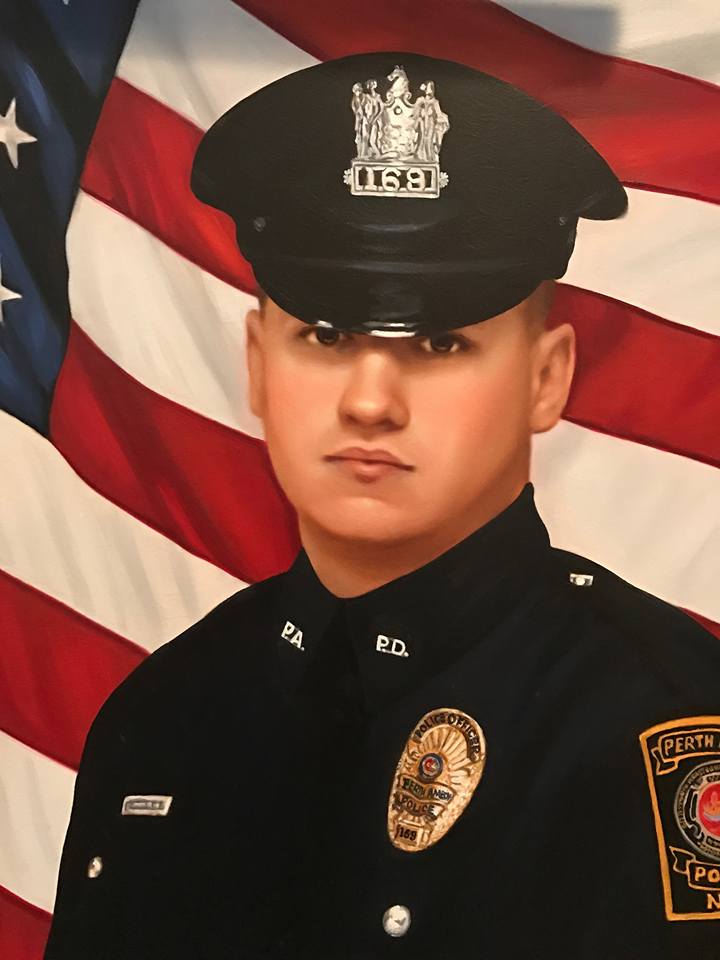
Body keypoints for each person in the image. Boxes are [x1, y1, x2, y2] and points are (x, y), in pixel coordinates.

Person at [43, 51, 720, 959]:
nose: (369, 401)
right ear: (257, 365)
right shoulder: (164, 717)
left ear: (547, 378)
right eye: (324, 335)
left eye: (439, 343)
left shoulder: (655, 724)